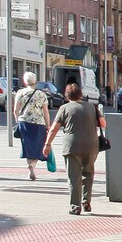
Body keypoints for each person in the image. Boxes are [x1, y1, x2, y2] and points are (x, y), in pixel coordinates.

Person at [44, 82, 101, 215]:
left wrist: (47, 144)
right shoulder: (92, 107)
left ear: (67, 95)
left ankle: (75, 206)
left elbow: (54, 129)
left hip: (72, 146)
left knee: (74, 176)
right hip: (91, 145)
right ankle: (86, 201)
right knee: (88, 173)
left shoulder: (64, 108)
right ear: (80, 94)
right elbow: (102, 124)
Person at [13, 74, 52, 181]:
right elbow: (46, 111)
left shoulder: (20, 93)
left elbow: (15, 109)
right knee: (38, 146)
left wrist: (17, 120)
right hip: (39, 123)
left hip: (24, 122)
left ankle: (30, 165)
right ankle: (33, 166)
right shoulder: (41, 94)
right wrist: (48, 125)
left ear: (25, 82)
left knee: (27, 146)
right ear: (35, 82)